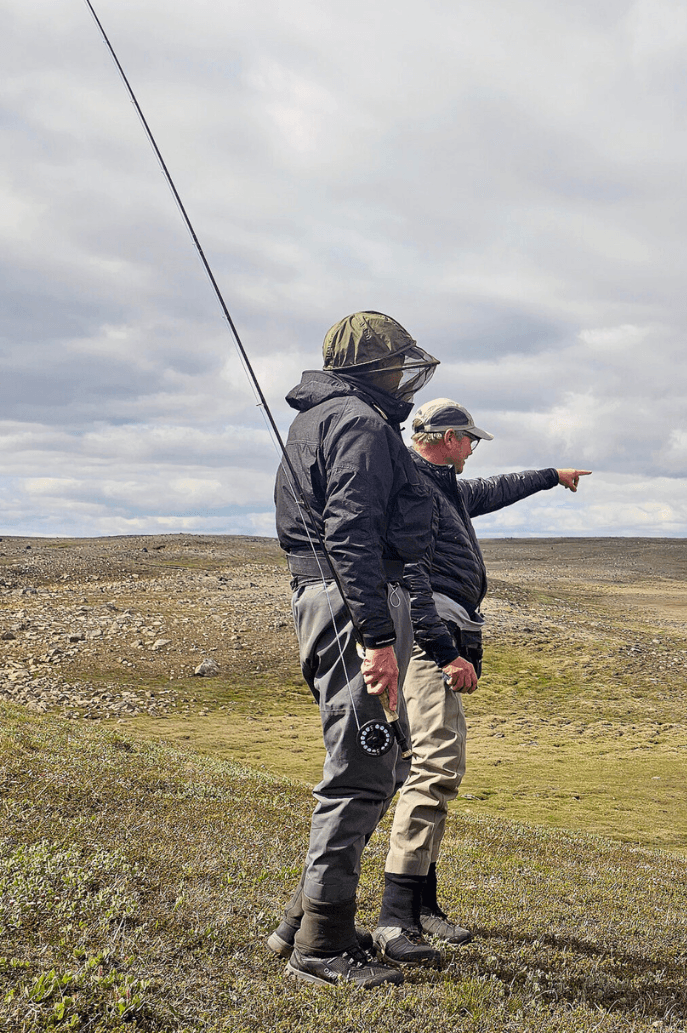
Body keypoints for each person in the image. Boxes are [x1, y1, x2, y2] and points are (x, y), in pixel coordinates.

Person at [373, 397, 591, 967]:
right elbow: (414, 578)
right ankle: (395, 918)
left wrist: (550, 476)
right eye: (469, 439)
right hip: (429, 642)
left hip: (443, 637)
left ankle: (422, 907)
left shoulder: (445, 489)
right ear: (446, 438)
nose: (473, 449)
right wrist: (443, 652)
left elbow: (496, 490)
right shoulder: (417, 492)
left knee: (424, 765)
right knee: (435, 765)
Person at [268, 311, 440, 988]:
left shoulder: (322, 418)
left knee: (383, 761)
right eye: (398, 365)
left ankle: (306, 919)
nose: (406, 378)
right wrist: (376, 637)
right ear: (376, 368)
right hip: (352, 606)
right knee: (363, 769)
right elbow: (351, 533)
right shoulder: (362, 425)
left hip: (334, 602)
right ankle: (322, 948)